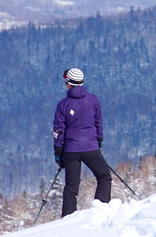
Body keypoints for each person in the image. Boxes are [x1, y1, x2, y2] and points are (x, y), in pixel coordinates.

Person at [53, 67, 112, 216]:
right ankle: (101, 208)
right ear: (82, 82)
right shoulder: (93, 100)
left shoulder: (63, 104)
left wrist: (58, 152)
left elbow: (58, 130)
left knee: (71, 186)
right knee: (104, 176)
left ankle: (67, 218)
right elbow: (98, 123)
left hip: (70, 150)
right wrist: (98, 140)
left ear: (68, 83)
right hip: (91, 147)